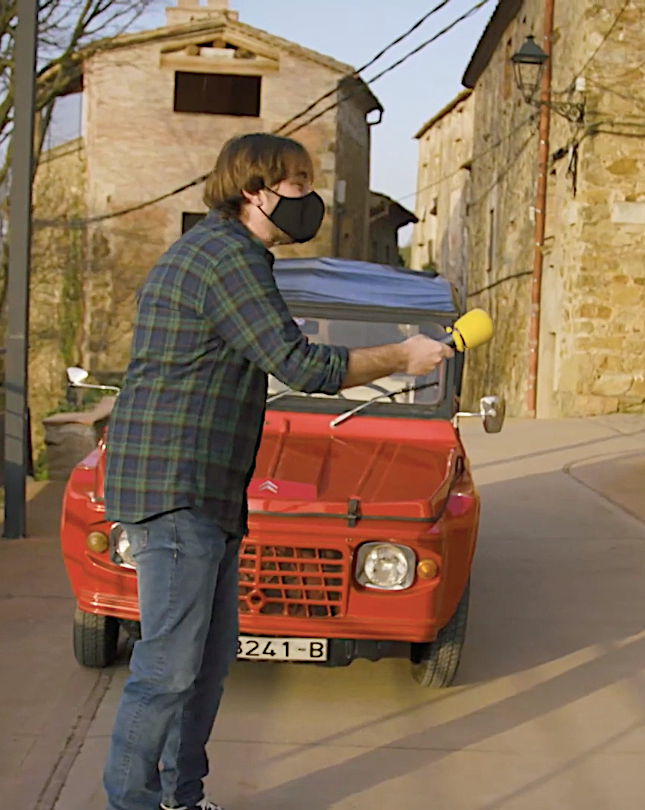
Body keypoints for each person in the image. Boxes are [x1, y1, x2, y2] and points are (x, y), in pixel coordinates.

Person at [100, 132, 453, 810]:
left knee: (205, 661)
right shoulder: (225, 259)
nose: (309, 197)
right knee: (169, 670)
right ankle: (134, 803)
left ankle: (182, 796)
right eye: (297, 182)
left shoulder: (230, 254)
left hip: (208, 489)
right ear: (254, 191)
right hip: (176, 488)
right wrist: (400, 358)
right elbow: (301, 365)